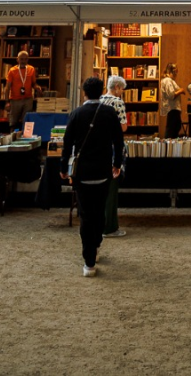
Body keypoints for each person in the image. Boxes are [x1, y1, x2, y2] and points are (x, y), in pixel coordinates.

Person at [61, 76, 126, 276]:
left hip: (82, 173)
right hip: (103, 171)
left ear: (84, 93)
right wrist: (116, 165)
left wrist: (64, 167)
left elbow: (67, 143)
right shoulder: (109, 113)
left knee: (85, 215)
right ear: (101, 91)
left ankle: (89, 262)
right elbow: (118, 141)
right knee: (98, 212)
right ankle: (96, 245)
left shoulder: (76, 114)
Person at [99, 75, 129, 238]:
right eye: (121, 89)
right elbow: (123, 127)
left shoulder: (99, 99)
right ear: (116, 87)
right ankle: (110, 226)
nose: (122, 93)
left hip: (98, 147)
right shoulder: (118, 102)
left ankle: (100, 224)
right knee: (112, 187)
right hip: (112, 147)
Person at [5, 50, 41, 134]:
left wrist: (37, 88)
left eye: (25, 59)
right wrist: (7, 102)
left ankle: (26, 140)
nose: (23, 61)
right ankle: (12, 139)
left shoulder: (31, 69)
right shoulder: (12, 71)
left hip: (28, 99)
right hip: (15, 100)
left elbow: (33, 84)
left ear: (28, 60)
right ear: (17, 59)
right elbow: (7, 87)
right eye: (21, 59)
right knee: (13, 122)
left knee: (27, 122)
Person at [158, 63, 184, 138]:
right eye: (176, 71)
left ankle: (171, 145)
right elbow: (171, 95)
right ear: (172, 71)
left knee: (176, 127)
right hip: (172, 108)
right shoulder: (168, 80)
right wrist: (181, 91)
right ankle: (168, 146)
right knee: (172, 129)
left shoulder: (170, 81)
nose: (176, 74)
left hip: (174, 108)